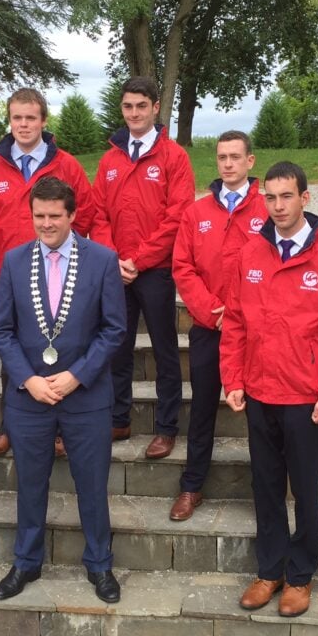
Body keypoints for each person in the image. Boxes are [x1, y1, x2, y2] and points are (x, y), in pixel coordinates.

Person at [220, 161, 318, 618]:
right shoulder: (250, 254)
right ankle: (270, 570)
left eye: (287, 196)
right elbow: (235, 321)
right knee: (265, 488)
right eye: (270, 197)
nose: (278, 206)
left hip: (306, 398)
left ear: (305, 198)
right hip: (260, 393)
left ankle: (300, 575)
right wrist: (233, 378)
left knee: (304, 490)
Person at [0, 177, 126, 603]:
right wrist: (28, 379)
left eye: (54, 216)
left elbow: (114, 329)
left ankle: (100, 564)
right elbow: (1, 330)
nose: (46, 224)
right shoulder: (14, 261)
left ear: (72, 215)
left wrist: (77, 375)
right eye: (39, 216)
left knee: (92, 485)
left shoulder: (102, 260)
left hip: (85, 396)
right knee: (30, 483)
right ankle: (26, 562)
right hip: (29, 396)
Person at [0, 88, 94, 458]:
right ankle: (9, 427)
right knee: (12, 347)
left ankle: (59, 429)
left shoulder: (66, 165)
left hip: (59, 271)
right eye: (17, 118)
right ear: (9, 121)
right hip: (11, 274)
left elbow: (87, 214)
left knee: (61, 346)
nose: (23, 125)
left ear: (43, 120)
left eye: (30, 117)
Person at [91, 76, 195, 459]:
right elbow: (97, 214)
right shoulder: (110, 160)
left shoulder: (174, 157)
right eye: (127, 106)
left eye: (140, 106)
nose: (134, 113)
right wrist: (114, 258)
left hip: (155, 270)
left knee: (164, 350)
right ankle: (119, 419)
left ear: (155, 108)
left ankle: (166, 428)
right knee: (117, 349)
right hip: (116, 270)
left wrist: (140, 258)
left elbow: (177, 215)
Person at [169, 131, 267, 521]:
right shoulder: (197, 213)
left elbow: (275, 269)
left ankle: (266, 492)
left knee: (262, 415)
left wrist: (242, 314)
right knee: (202, 410)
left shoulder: (267, 209)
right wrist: (213, 311)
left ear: (250, 161)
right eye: (222, 157)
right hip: (209, 329)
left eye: (235, 157)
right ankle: (192, 486)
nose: (227, 164)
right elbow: (183, 267)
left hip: (256, 333)